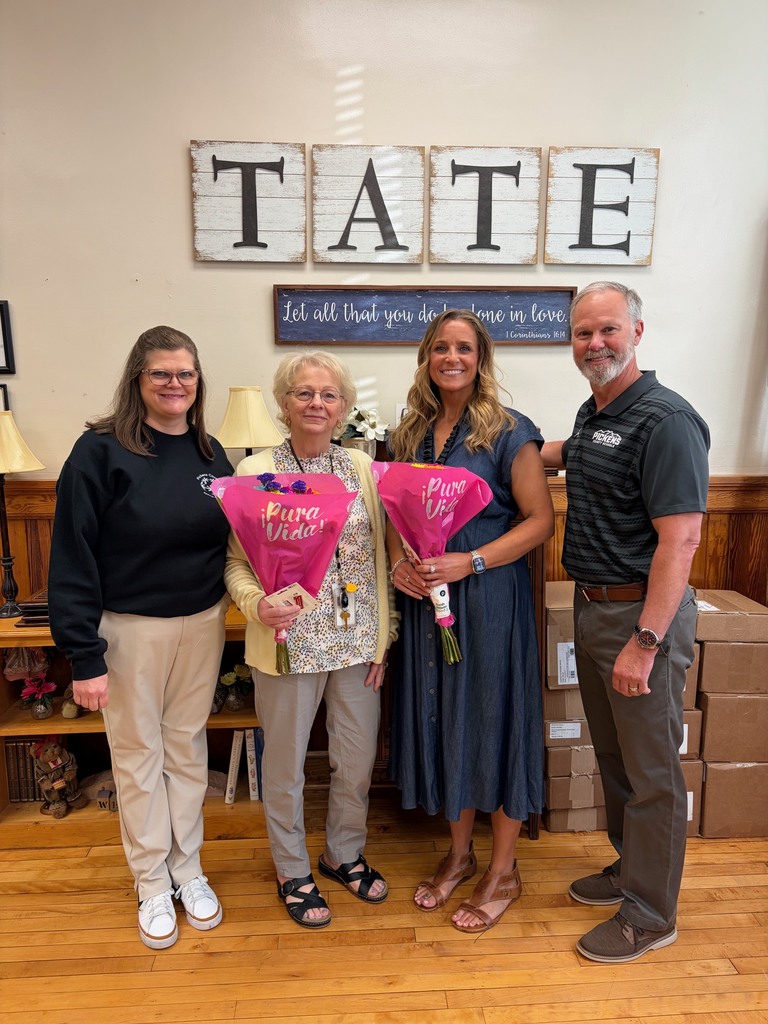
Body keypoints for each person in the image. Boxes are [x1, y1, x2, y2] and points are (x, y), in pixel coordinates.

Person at [48, 326, 233, 950]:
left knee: (186, 752)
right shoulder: (100, 451)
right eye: (161, 374)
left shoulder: (213, 455)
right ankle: (152, 879)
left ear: (198, 380)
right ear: (138, 380)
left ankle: (189, 868)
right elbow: (72, 556)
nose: (175, 384)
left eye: (185, 373)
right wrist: (83, 654)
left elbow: (242, 543)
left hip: (202, 625)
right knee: (137, 757)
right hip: (127, 630)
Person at [541, 281, 710, 964]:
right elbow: (567, 455)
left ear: (637, 332)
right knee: (614, 759)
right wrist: (506, 443)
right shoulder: (595, 411)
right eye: (583, 333)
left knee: (652, 771)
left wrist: (646, 641)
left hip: (642, 618)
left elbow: (683, 542)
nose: (595, 344)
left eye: (608, 330)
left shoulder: (665, 419)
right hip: (593, 608)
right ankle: (627, 871)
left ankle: (651, 913)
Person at [386, 309, 554, 934]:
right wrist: (404, 562)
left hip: (487, 599)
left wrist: (471, 561)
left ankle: (504, 870)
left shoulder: (511, 431)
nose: (451, 358)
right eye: (440, 348)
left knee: (494, 717)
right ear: (425, 357)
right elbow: (394, 513)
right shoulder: (411, 434)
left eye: (464, 348)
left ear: (481, 358)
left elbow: (539, 521)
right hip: (426, 600)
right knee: (444, 718)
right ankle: (460, 853)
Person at [224, 352, 398, 929]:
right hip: (287, 643)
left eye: (328, 395)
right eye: (303, 393)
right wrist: (256, 604)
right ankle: (291, 867)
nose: (316, 404)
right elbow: (235, 565)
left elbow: (379, 562)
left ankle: (341, 853)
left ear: (345, 406)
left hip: (354, 643)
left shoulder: (362, 468)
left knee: (354, 760)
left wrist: (383, 640)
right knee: (287, 765)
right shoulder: (253, 473)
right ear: (284, 403)